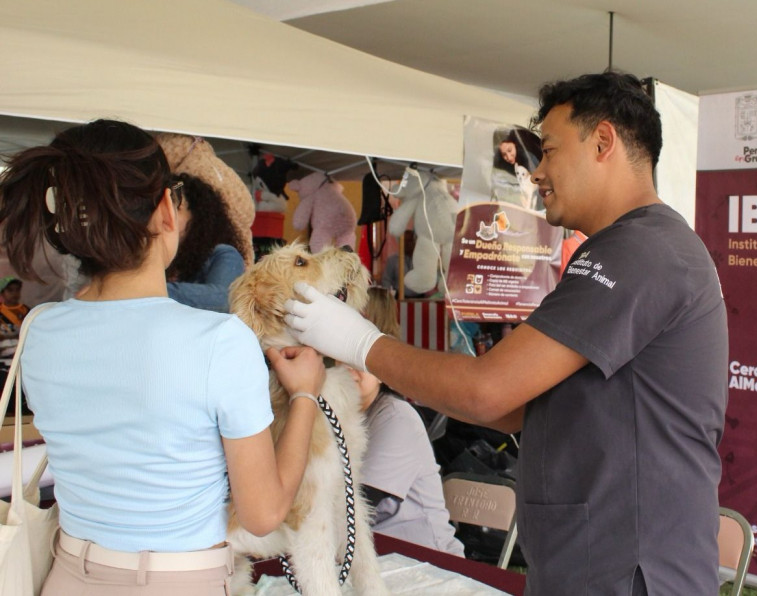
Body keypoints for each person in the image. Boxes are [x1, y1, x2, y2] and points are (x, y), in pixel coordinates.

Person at [284, 71, 729, 595]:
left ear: (603, 142)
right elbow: (507, 406)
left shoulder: (640, 251)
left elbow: (486, 389)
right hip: (590, 562)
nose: (537, 174)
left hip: (629, 570)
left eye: (550, 151)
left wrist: (362, 343)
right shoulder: (621, 250)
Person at [0, 119, 326, 596]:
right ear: (165, 211)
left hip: (68, 576)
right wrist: (304, 396)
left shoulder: (41, 328)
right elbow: (263, 514)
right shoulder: (218, 340)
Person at [349, 286, 464, 556]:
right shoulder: (341, 418)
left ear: (380, 370)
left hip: (427, 563)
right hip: (374, 561)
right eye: (339, 359)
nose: (349, 369)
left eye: (358, 360)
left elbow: (354, 509)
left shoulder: (396, 418)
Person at [165, 172, 246, 312]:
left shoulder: (224, 253)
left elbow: (225, 300)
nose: (168, 215)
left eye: (176, 207)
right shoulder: (166, 259)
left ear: (198, 214)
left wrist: (150, 290)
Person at [491, 128, 543, 211]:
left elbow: (536, 184)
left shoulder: (527, 158)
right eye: (504, 154)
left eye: (510, 150)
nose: (508, 157)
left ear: (515, 144)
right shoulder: (509, 163)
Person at [381, 229, 424, 298]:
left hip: (421, 298)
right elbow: (386, 280)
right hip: (400, 298)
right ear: (401, 242)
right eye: (406, 241)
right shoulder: (393, 260)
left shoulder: (422, 260)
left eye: (411, 241)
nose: (409, 244)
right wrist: (389, 297)